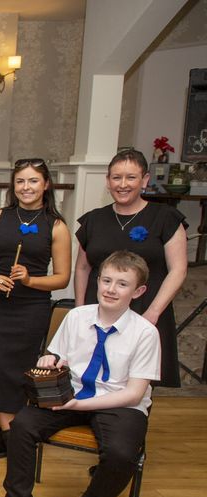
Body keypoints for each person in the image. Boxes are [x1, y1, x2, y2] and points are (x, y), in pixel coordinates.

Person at [0, 251, 160, 497]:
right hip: (70, 393)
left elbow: (134, 393)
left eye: (122, 284)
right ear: (97, 281)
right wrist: (49, 361)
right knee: (20, 426)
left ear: (138, 291)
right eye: (107, 280)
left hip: (120, 403)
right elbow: (55, 356)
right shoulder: (76, 316)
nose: (111, 289)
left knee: (122, 454)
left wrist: (80, 404)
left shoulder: (145, 333)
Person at [0, 159, 71, 458]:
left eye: (33, 181)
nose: (26, 187)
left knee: (22, 372)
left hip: (33, 307)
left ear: (46, 185)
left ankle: (15, 430)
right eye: (21, 182)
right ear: (13, 186)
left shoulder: (57, 226)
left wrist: (30, 279)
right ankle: (8, 432)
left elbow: (62, 278)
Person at [74, 148, 187, 387]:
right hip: (100, 309)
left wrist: (153, 313)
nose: (122, 184)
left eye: (131, 177)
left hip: (145, 310)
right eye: (116, 177)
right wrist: (80, 310)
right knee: (93, 377)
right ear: (108, 181)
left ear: (145, 180)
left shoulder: (165, 218)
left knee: (137, 384)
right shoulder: (93, 220)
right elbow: (83, 268)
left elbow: (178, 270)